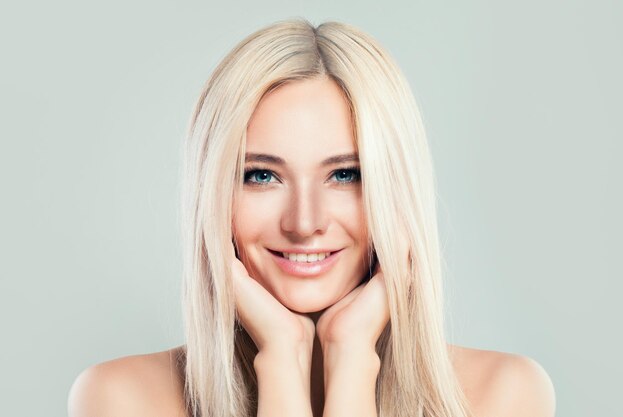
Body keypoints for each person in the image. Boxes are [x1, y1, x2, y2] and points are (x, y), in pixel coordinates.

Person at [68, 19, 556, 417]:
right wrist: (281, 356)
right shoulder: (121, 399)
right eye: (261, 176)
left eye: (345, 174)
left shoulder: (502, 396)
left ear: (397, 192)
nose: (305, 222)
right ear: (211, 196)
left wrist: (351, 356)